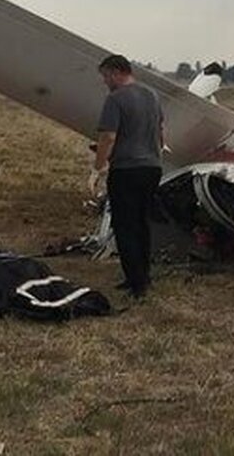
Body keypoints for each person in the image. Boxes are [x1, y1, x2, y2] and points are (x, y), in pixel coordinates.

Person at [90, 54, 163, 298]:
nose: (104, 82)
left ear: (115, 72)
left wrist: (97, 168)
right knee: (142, 223)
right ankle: (143, 275)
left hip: (126, 170)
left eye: (105, 76)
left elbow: (108, 137)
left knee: (125, 225)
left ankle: (136, 284)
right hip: (152, 168)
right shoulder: (151, 95)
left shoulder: (115, 99)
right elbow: (160, 131)